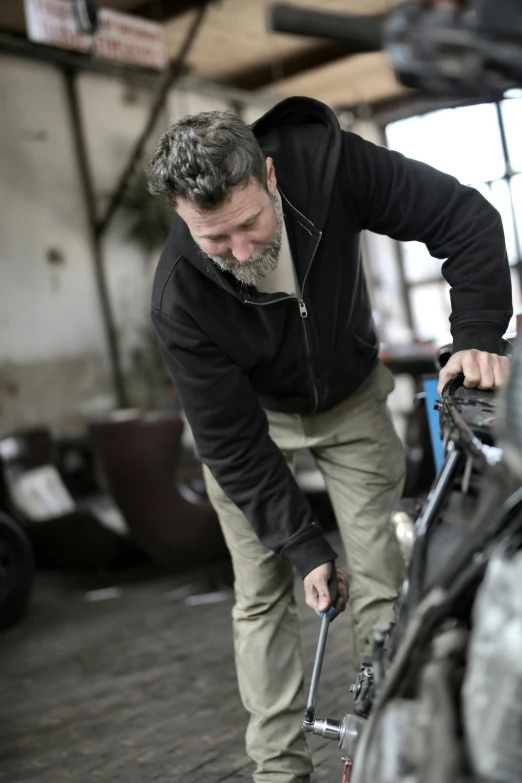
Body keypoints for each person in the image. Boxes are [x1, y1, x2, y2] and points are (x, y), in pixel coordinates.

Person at [148, 97, 512, 783]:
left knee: (381, 574)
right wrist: (303, 545)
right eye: (215, 239)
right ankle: (280, 769)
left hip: (349, 397)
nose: (242, 250)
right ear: (181, 217)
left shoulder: (332, 166)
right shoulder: (178, 296)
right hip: (252, 424)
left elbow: (466, 217)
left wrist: (478, 333)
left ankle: (377, 751)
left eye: (250, 223)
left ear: (272, 177)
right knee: (262, 588)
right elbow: (228, 442)